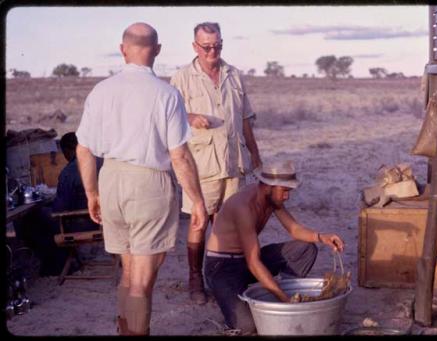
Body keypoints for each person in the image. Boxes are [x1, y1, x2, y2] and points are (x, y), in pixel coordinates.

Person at [75, 22, 208, 336]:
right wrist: (198, 201)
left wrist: (92, 193)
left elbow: (83, 150)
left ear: (123, 49)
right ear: (157, 50)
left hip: (110, 179)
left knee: (128, 274)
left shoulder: (100, 91)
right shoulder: (166, 93)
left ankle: (124, 331)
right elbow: (180, 156)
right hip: (149, 184)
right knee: (141, 284)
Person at [170, 21, 262, 305]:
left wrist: (255, 152)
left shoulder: (234, 74)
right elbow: (169, 116)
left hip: (234, 163)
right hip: (202, 165)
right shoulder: (181, 77)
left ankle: (225, 277)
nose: (213, 51)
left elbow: (245, 118)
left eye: (217, 45)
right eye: (206, 46)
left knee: (230, 223)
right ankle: (195, 279)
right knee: (199, 221)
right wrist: (190, 117)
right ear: (195, 46)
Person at [203, 160, 345, 334]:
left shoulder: (271, 199)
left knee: (306, 248)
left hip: (246, 260)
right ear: (268, 186)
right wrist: (285, 301)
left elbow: (294, 229)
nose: (287, 196)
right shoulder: (244, 207)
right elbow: (253, 263)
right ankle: (276, 296)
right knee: (248, 326)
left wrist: (321, 237)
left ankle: (276, 293)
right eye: (284, 191)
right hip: (222, 267)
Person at [13, 132, 101, 277]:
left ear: (67, 150)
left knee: (31, 218)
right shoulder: (99, 163)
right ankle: (62, 259)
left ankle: (56, 263)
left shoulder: (69, 172)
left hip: (81, 223)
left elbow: (59, 209)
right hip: (101, 220)